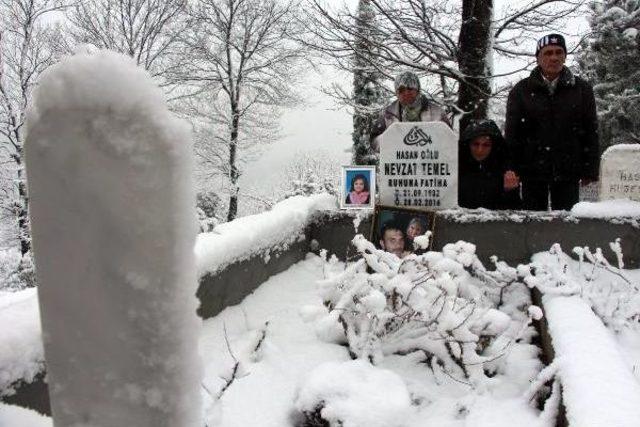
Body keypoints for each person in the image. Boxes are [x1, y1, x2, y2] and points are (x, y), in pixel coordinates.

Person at [505, 33, 599, 211]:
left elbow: (590, 130)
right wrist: (511, 168)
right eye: (548, 53)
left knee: (567, 221)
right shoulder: (521, 91)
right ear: (538, 58)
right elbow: (512, 133)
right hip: (532, 169)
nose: (554, 57)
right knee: (532, 222)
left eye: (558, 52)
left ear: (565, 56)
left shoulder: (581, 89)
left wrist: (590, 169)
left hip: (568, 168)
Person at [370, 71, 450, 151]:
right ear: (397, 93)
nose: (406, 92)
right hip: (398, 161)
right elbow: (374, 142)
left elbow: (449, 139)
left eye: (410, 88)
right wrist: (391, 138)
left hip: (430, 160)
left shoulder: (437, 111)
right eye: (401, 90)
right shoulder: (388, 114)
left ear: (418, 90)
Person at [458, 119, 521, 209]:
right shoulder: (456, 169)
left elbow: (514, 212)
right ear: (468, 144)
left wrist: (510, 191)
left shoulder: (505, 171)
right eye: (476, 144)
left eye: (486, 145)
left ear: (494, 146)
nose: (480, 150)